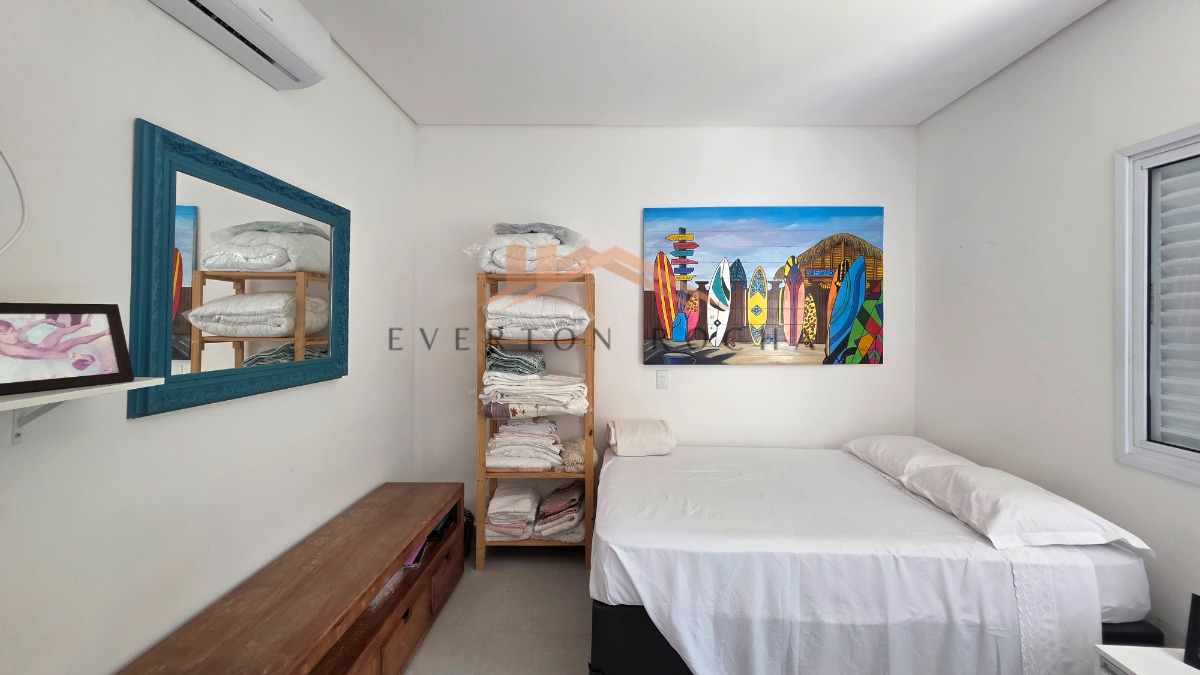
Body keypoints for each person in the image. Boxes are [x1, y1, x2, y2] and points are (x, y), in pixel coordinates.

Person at [0, 315, 111, 370]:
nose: (13, 335)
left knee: (60, 331)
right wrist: (79, 355)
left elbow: (25, 327)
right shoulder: (12, 349)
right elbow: (44, 355)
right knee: (72, 341)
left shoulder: (12, 336)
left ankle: (85, 324)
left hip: (38, 348)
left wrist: (43, 320)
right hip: (41, 355)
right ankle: (104, 333)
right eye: (5, 335)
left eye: (12, 331)